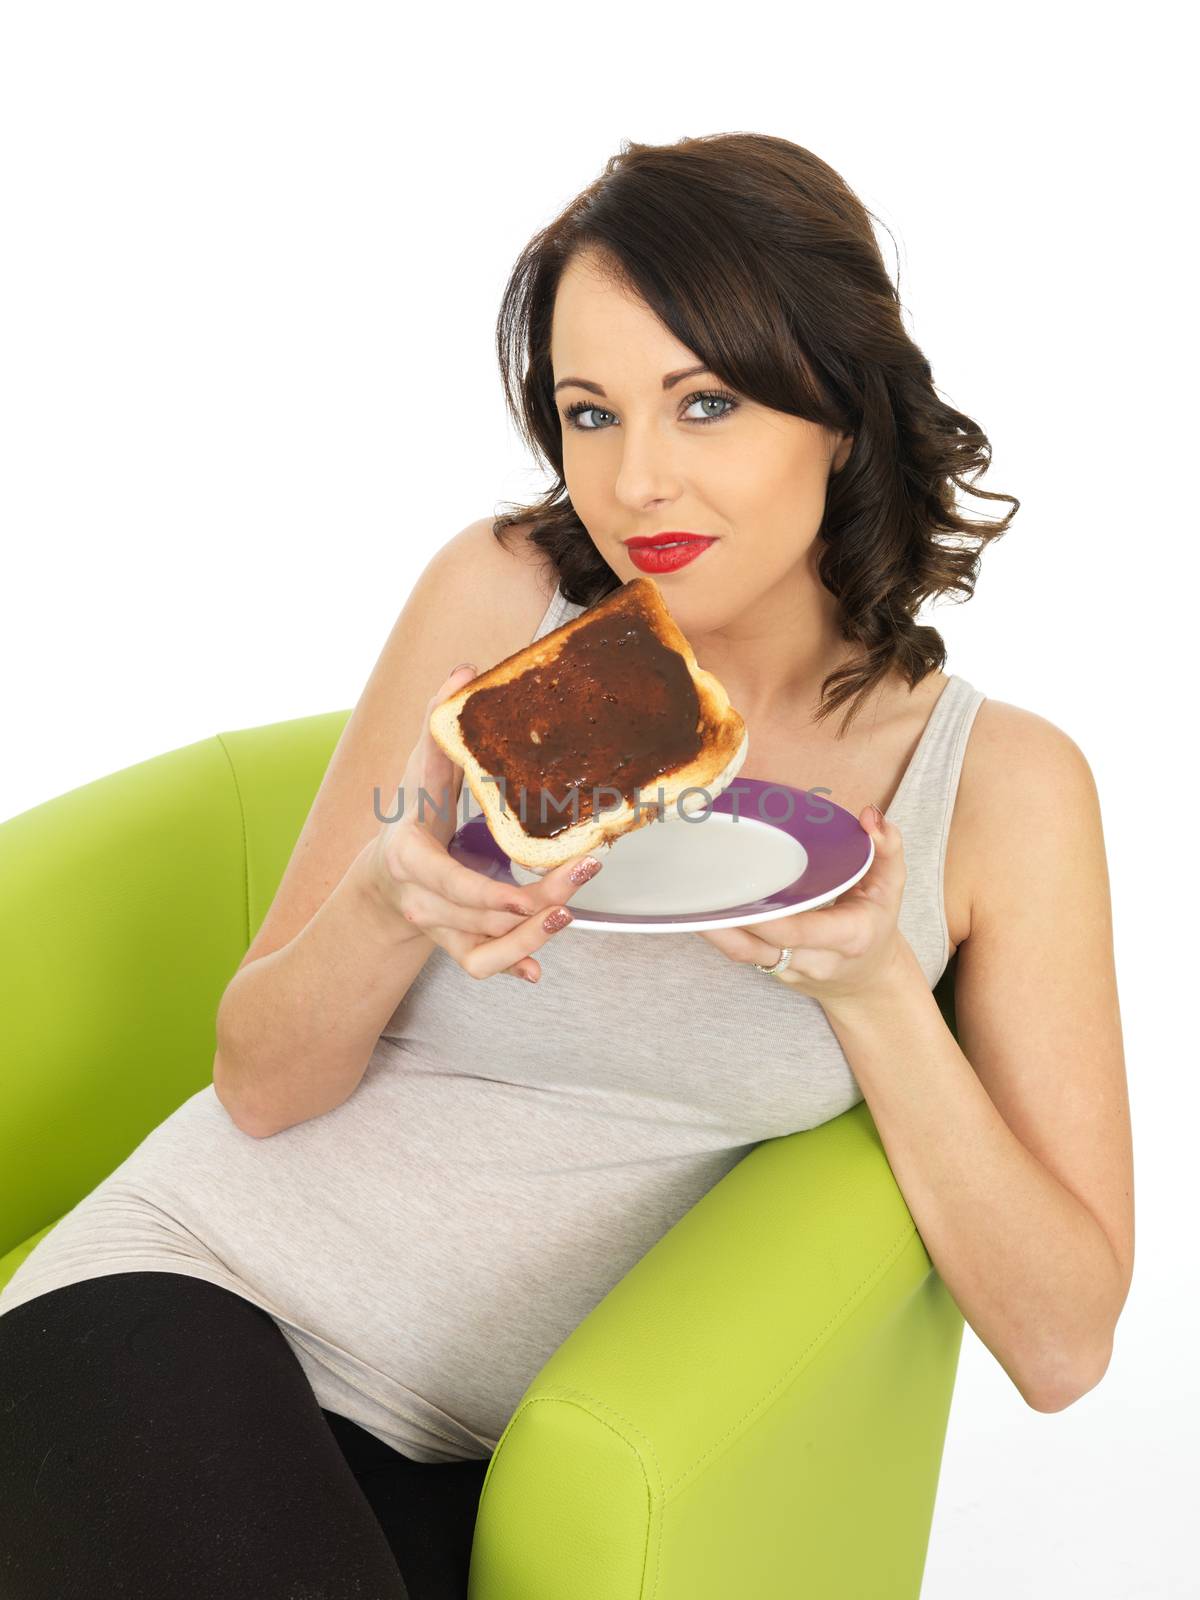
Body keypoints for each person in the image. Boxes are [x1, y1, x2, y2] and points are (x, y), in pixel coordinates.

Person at [0, 131, 1134, 1597]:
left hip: (500, 1453)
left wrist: (871, 994)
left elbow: (1062, 1346)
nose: (637, 482)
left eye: (706, 403)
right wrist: (393, 894)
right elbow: (262, 1084)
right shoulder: (509, 599)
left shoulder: (1000, 789)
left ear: (843, 411)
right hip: (194, 1297)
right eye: (590, 414)